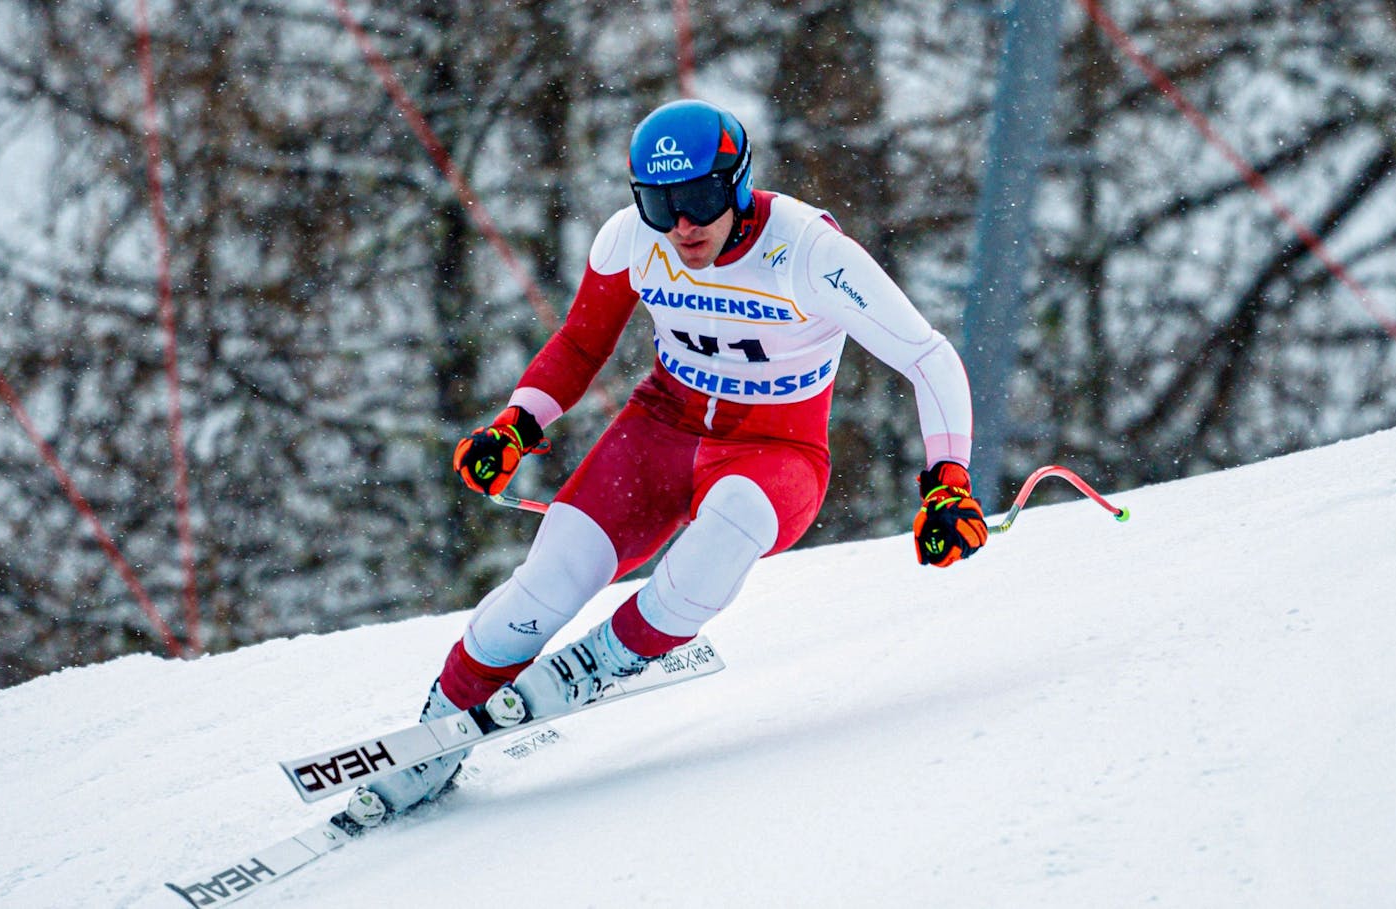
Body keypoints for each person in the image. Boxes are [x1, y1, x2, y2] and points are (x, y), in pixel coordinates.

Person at [344, 99, 989, 826]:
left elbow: (928, 357)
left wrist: (948, 483)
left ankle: (607, 657)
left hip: (775, 451)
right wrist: (516, 423)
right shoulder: (632, 241)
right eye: (659, 202)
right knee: (545, 583)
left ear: (739, 185)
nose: (683, 224)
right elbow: (582, 344)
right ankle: (435, 733)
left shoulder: (809, 252)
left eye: (701, 198)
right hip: (660, 432)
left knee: (731, 523)